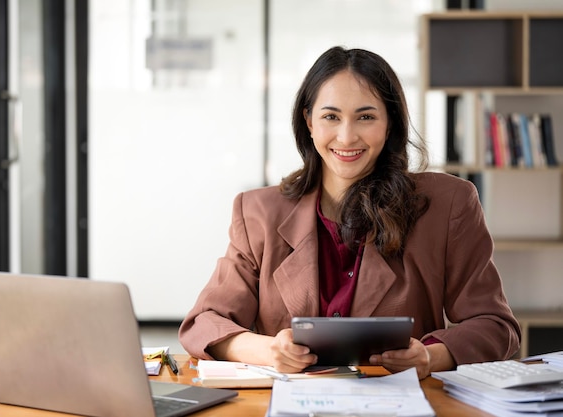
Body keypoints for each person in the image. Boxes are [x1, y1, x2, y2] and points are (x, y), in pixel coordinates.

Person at [178, 46, 521, 379]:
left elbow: (495, 326)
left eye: (366, 117)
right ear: (308, 121)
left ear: (390, 125)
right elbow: (204, 323)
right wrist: (270, 351)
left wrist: (430, 357)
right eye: (331, 116)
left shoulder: (448, 203)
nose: (346, 136)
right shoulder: (258, 212)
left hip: (404, 403)